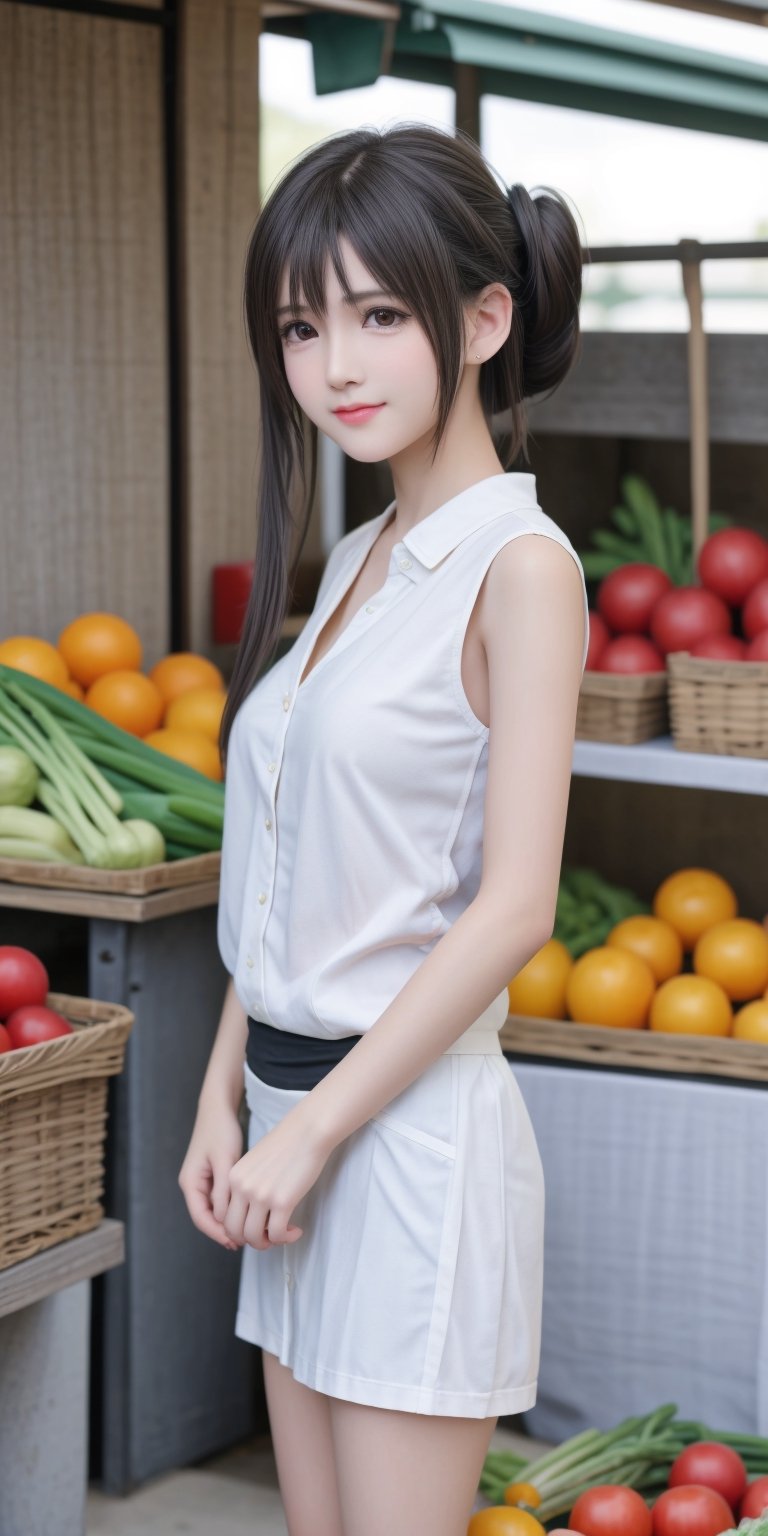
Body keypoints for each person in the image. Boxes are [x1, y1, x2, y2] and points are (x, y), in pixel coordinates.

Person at [179, 122, 589, 1536]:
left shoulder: (522, 569)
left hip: (404, 1148)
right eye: (302, 326)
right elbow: (292, 865)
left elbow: (515, 910)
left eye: (377, 316)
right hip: (289, 1133)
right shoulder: (358, 555)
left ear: (483, 321)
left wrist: (311, 1134)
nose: (333, 366)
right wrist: (225, 1097)